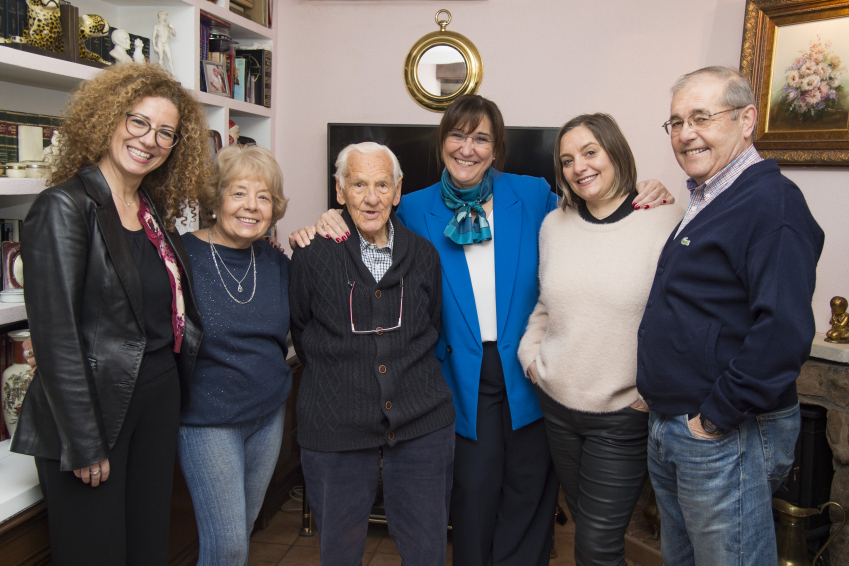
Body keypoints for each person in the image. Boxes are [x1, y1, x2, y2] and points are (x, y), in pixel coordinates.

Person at [290, 94, 674, 566]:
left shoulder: (533, 194)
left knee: (530, 494)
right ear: (442, 143)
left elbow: (596, 213)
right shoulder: (410, 206)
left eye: (481, 138)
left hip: (530, 372)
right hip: (456, 378)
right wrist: (329, 218)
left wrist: (645, 190)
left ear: (497, 148)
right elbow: (366, 225)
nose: (467, 148)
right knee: (471, 499)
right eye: (457, 135)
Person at [11, 62, 208, 565]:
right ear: (106, 119)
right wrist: (83, 440)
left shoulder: (148, 207)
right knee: (95, 555)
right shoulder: (64, 207)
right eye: (138, 121)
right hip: (95, 409)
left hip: (156, 400)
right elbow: (55, 339)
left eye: (166, 132)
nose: (150, 139)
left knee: (147, 550)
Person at [637, 66, 824, 565]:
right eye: (676, 122)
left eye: (701, 117)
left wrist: (714, 419)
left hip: (723, 431)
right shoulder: (707, 197)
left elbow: (783, 331)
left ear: (747, 121)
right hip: (677, 423)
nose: (685, 133)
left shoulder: (772, 203)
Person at [517, 113, 682, 566]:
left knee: (595, 547)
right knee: (592, 531)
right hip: (558, 406)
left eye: (590, 152)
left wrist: (650, 393)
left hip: (621, 415)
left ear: (615, 152)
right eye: (567, 159)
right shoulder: (556, 225)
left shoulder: (664, 219)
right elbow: (546, 304)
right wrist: (530, 355)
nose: (579, 167)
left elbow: (680, 318)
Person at [289, 142, 456, 565]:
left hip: (422, 421)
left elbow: (431, 326)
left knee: (426, 549)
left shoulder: (423, 255)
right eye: (359, 184)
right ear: (340, 190)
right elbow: (303, 329)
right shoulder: (311, 254)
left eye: (382, 184)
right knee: (339, 551)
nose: (371, 197)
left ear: (398, 191)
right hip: (335, 422)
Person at [177, 144, 291, 566]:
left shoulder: (277, 263)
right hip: (207, 421)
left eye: (263, 197)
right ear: (216, 198)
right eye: (239, 192)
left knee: (240, 532)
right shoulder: (181, 257)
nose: (251, 206)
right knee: (227, 545)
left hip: (268, 413)